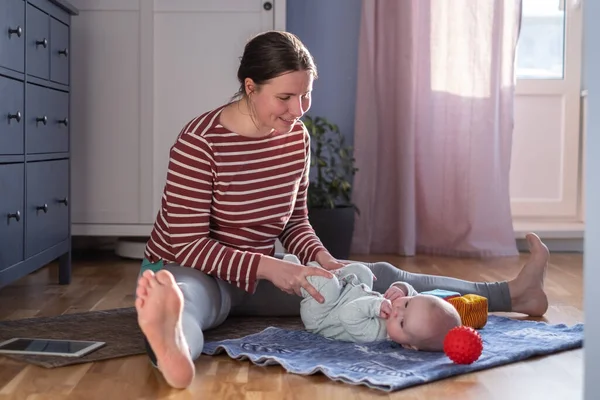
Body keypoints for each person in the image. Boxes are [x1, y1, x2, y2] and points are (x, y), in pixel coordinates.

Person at [134, 30, 550, 389]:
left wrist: (323, 259)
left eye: (305, 95)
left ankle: (516, 293)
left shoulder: (295, 140)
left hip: (254, 274)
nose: (297, 111)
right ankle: (175, 351)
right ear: (249, 86)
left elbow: (295, 221)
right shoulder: (200, 142)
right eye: (284, 97)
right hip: (188, 267)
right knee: (191, 302)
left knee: (378, 278)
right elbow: (186, 243)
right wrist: (273, 268)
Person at [289, 254, 462, 351]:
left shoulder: (376, 333)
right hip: (347, 294)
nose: (398, 310)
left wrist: (375, 305)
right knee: (362, 271)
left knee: (328, 285)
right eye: (407, 304)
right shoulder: (407, 311)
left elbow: (348, 314)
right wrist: (401, 289)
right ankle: (323, 273)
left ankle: (293, 271)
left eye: (402, 322)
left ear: (408, 345)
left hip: (323, 314)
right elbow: (414, 292)